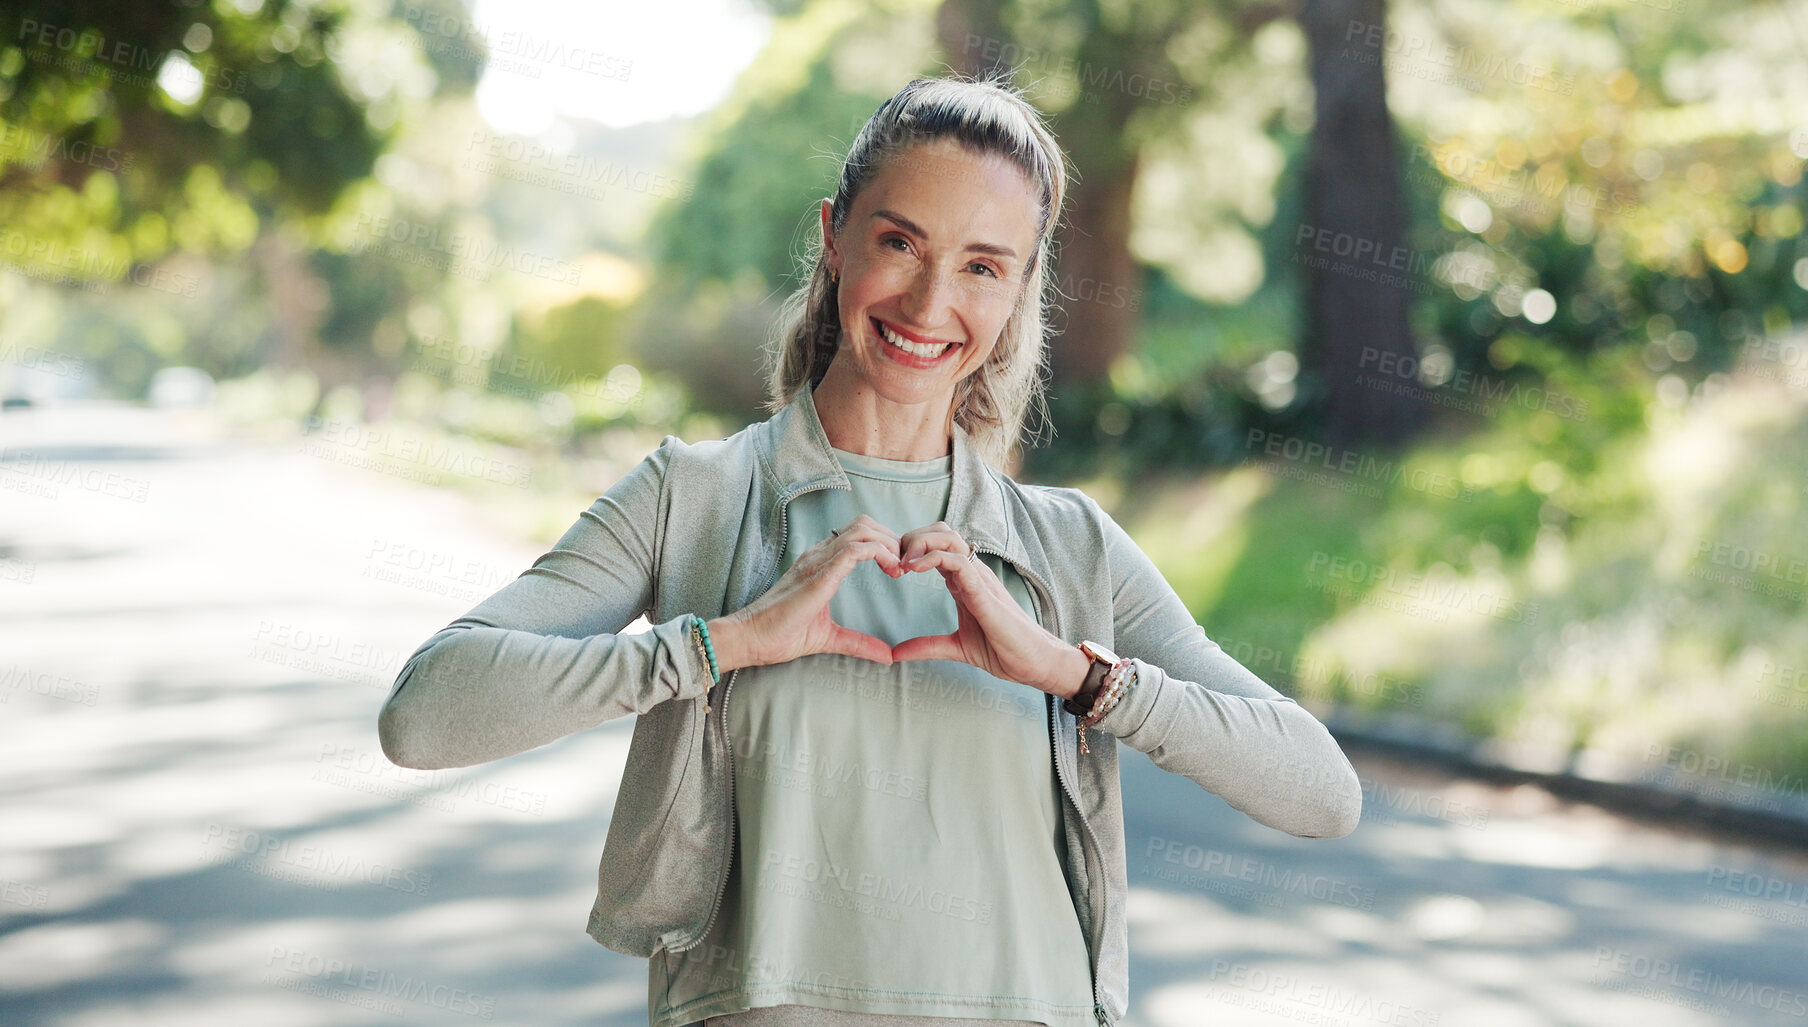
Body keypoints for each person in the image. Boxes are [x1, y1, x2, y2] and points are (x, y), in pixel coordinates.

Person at [378, 75, 1361, 1027]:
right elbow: (425, 715)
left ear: (1020, 287)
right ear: (833, 236)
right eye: (901, 242)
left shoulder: (1070, 548)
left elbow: (1322, 791)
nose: (931, 304)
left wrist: (1071, 672)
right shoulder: (697, 499)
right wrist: (721, 643)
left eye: (982, 265)